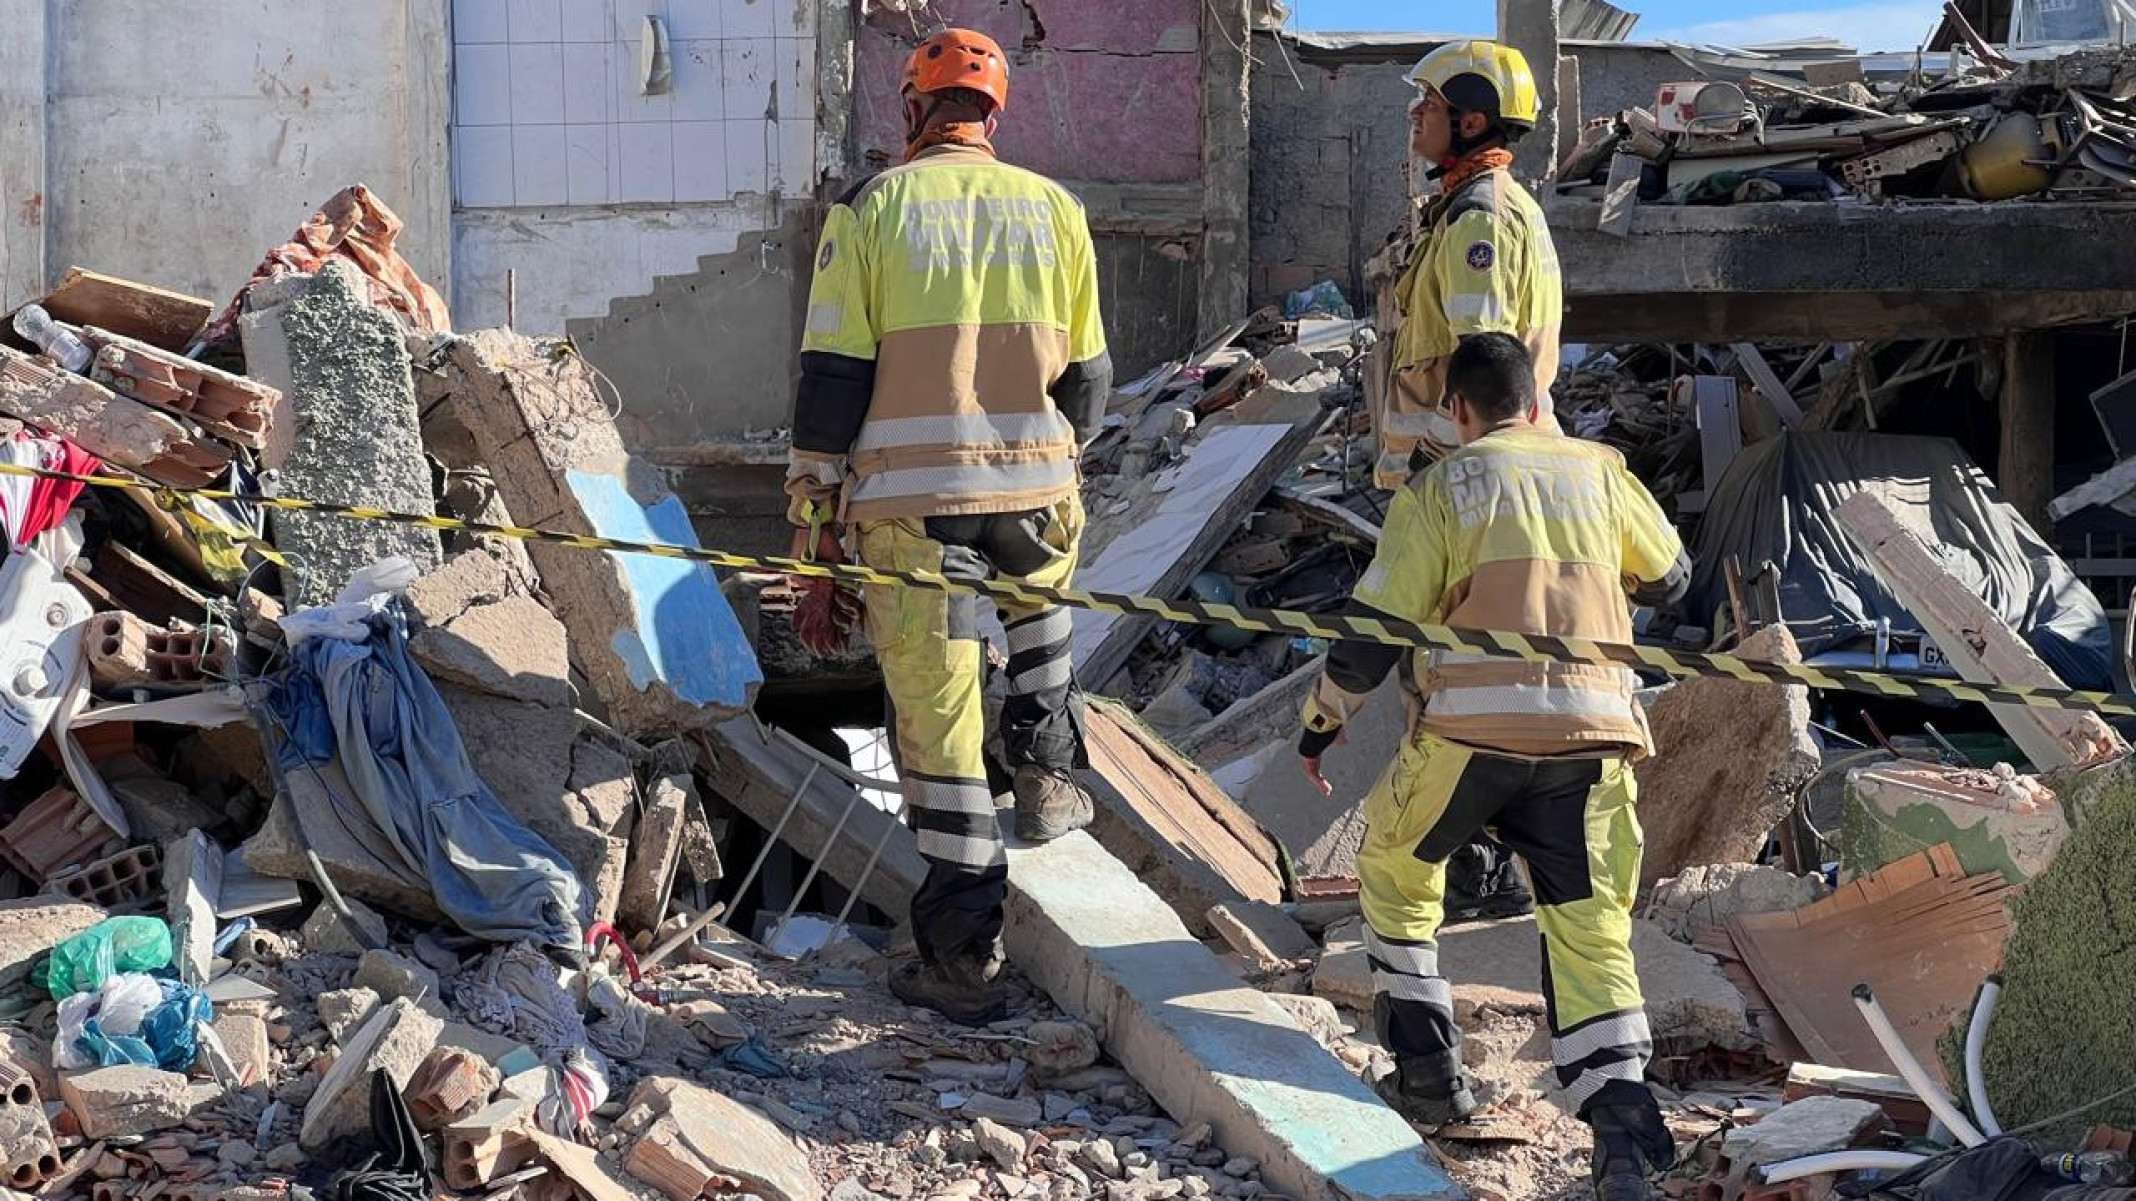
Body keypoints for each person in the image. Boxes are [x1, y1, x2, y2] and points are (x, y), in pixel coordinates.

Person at [1298, 333, 1690, 1201]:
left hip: (1469, 741)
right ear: (1538, 402)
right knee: (1590, 931)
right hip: (1592, 744)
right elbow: (1672, 578)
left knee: (1396, 876)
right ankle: (1624, 1138)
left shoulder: (1443, 490)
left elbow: (1376, 629)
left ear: (1460, 412)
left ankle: (1432, 1076)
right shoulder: (1601, 470)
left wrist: (1321, 721)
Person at [783, 28, 1113, 1026]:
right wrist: (1042, 455)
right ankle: (1050, 774)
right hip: (1039, 490)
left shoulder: (874, 209)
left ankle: (965, 956)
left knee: (936, 728)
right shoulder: (1056, 209)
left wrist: (813, 544)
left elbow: (832, 385)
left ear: (914, 110)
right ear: (993, 116)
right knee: (1042, 628)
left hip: (914, 508)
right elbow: (1089, 380)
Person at [1369, 37, 1571, 923]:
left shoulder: (1481, 219)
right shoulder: (1466, 208)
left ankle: (1473, 881)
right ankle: (1476, 876)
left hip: (1464, 485)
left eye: (1429, 103)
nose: (1416, 115)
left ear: (1472, 117)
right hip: (1460, 477)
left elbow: (1484, 363)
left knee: (1456, 682)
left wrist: (1452, 476)